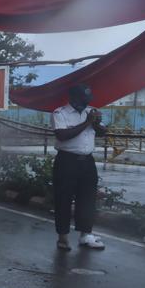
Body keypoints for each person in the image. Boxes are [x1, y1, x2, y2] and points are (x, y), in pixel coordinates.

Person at [51, 84, 106, 250]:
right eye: (84, 99)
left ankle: (85, 235)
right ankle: (62, 237)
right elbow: (62, 136)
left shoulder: (92, 111)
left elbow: (103, 132)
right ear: (74, 99)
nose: (87, 102)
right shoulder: (60, 113)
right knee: (63, 199)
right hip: (67, 161)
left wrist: (96, 123)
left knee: (88, 198)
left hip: (87, 161)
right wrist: (87, 122)